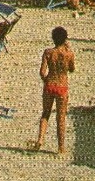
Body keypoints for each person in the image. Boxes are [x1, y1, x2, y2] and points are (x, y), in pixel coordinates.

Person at [29, 26, 75, 155]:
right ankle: (61, 148)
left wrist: (46, 82)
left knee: (45, 114)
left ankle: (40, 139)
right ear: (65, 39)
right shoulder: (69, 54)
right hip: (62, 86)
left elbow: (42, 72)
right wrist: (69, 50)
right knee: (61, 118)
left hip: (49, 85)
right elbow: (72, 69)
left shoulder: (48, 52)